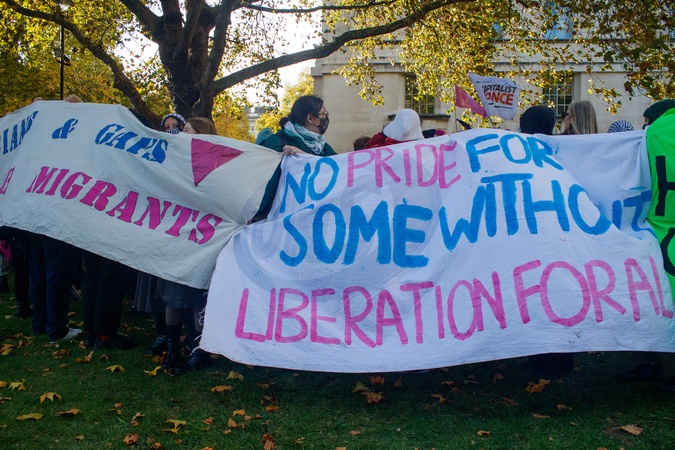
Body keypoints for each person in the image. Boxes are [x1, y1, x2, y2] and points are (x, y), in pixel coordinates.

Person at [519, 105, 575, 377]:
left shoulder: (533, 150)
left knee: (546, 295)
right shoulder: (559, 149)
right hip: (552, 234)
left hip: (543, 234)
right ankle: (544, 356)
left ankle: (553, 360)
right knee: (545, 295)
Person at [158, 116, 217, 373]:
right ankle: (173, 348)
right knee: (175, 293)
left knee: (195, 296)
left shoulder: (214, 164)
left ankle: (198, 348)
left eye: (186, 129)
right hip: (178, 234)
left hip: (201, 237)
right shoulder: (176, 161)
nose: (181, 133)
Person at [259, 95, 336, 156]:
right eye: (323, 114)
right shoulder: (277, 142)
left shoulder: (322, 146)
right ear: (310, 118)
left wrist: (304, 156)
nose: (325, 117)